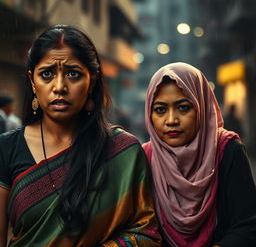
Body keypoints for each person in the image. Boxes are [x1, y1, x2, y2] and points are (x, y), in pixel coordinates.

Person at [0, 25, 161, 247]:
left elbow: (147, 233)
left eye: (73, 74)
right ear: (32, 81)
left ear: (92, 80)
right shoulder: (6, 148)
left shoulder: (122, 151)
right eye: (47, 74)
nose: (59, 87)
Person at [143, 62, 256, 247]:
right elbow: (139, 228)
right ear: (149, 114)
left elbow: (248, 225)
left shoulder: (227, 150)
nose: (171, 120)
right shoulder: (144, 158)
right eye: (161, 110)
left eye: (183, 107)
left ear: (201, 107)